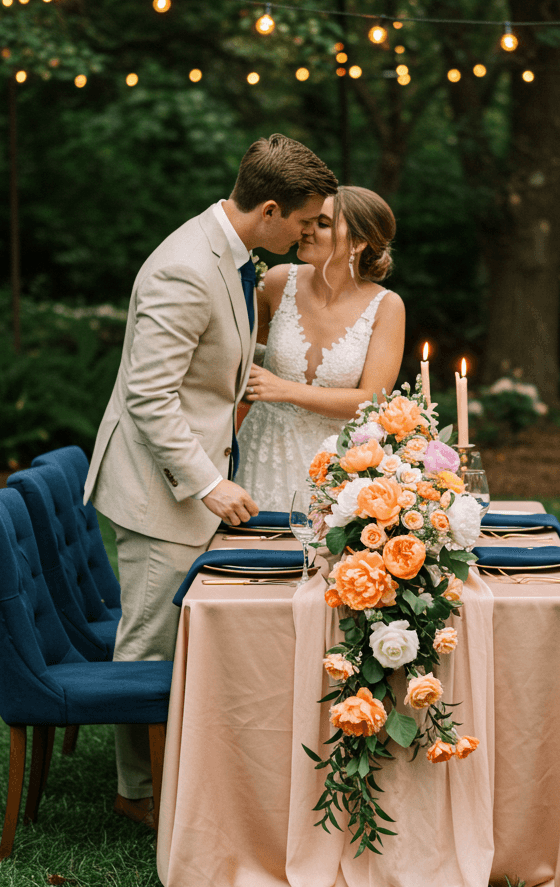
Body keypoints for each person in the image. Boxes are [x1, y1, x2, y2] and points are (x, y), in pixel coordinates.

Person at [83, 134, 337, 827]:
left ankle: (179, 769)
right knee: (149, 641)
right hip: (156, 489)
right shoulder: (184, 267)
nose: (312, 232)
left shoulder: (229, 252)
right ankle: (138, 793)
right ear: (270, 209)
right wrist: (206, 483)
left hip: (188, 475)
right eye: (307, 221)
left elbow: (209, 355)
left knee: (182, 632)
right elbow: (149, 396)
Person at [236, 185, 405, 510]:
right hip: (263, 449)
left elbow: (371, 400)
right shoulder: (276, 281)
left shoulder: (386, 306)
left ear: (358, 242)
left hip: (337, 464)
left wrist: (283, 389)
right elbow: (237, 345)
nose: (307, 230)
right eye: (309, 220)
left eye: (323, 223)